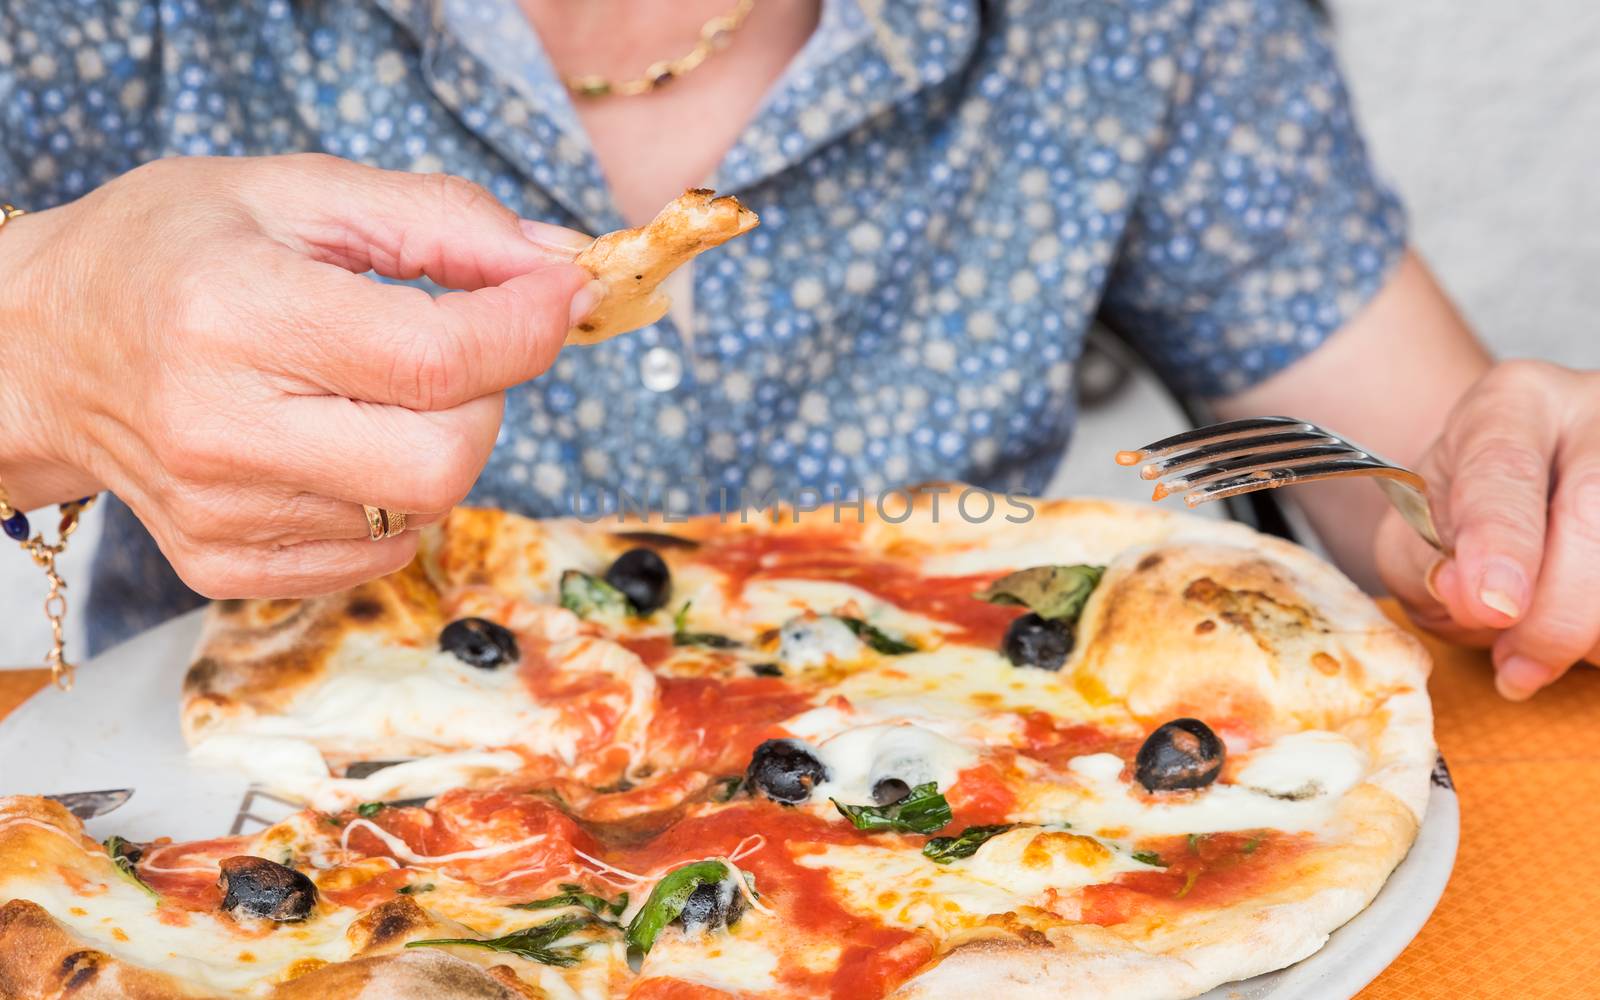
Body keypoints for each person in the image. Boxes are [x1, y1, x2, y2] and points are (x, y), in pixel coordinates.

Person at [0, 0, 1593, 700]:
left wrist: (1521, 490)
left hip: (968, 866)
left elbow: (1410, 490)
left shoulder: (1139, 22)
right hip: (265, 880)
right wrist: (42, 334)